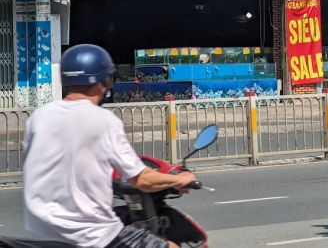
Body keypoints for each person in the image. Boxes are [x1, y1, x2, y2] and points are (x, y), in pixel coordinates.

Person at [23, 44, 197, 248]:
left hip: (41, 233)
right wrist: (178, 179)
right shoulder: (104, 120)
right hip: (93, 236)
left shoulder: (38, 117)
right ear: (103, 81)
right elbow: (142, 179)